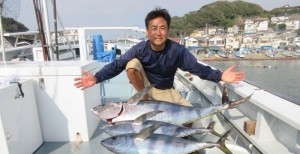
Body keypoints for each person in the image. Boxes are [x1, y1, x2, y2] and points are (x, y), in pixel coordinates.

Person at [74, 7, 245, 106]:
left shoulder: (177, 50)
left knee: (189, 116)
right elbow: (118, 64)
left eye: (162, 28)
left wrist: (220, 75)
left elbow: (196, 68)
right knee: (131, 64)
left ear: (167, 30)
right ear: (147, 31)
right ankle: (145, 99)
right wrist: (96, 78)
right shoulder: (139, 49)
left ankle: (182, 142)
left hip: (166, 90)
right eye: (154, 28)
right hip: (146, 89)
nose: (158, 33)